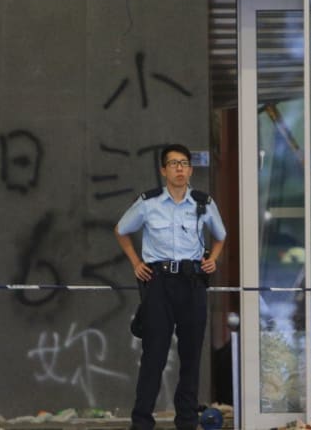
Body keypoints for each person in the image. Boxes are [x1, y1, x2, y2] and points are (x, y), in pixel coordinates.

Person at [115, 144, 227, 430]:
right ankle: (142, 421)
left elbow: (220, 236)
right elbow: (122, 230)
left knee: (191, 355)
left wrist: (212, 260)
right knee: (154, 354)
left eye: (184, 163)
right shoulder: (149, 203)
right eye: (173, 163)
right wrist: (135, 262)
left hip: (192, 282)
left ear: (190, 170)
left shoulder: (203, 203)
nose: (179, 168)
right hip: (158, 283)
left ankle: (187, 420)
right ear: (163, 170)